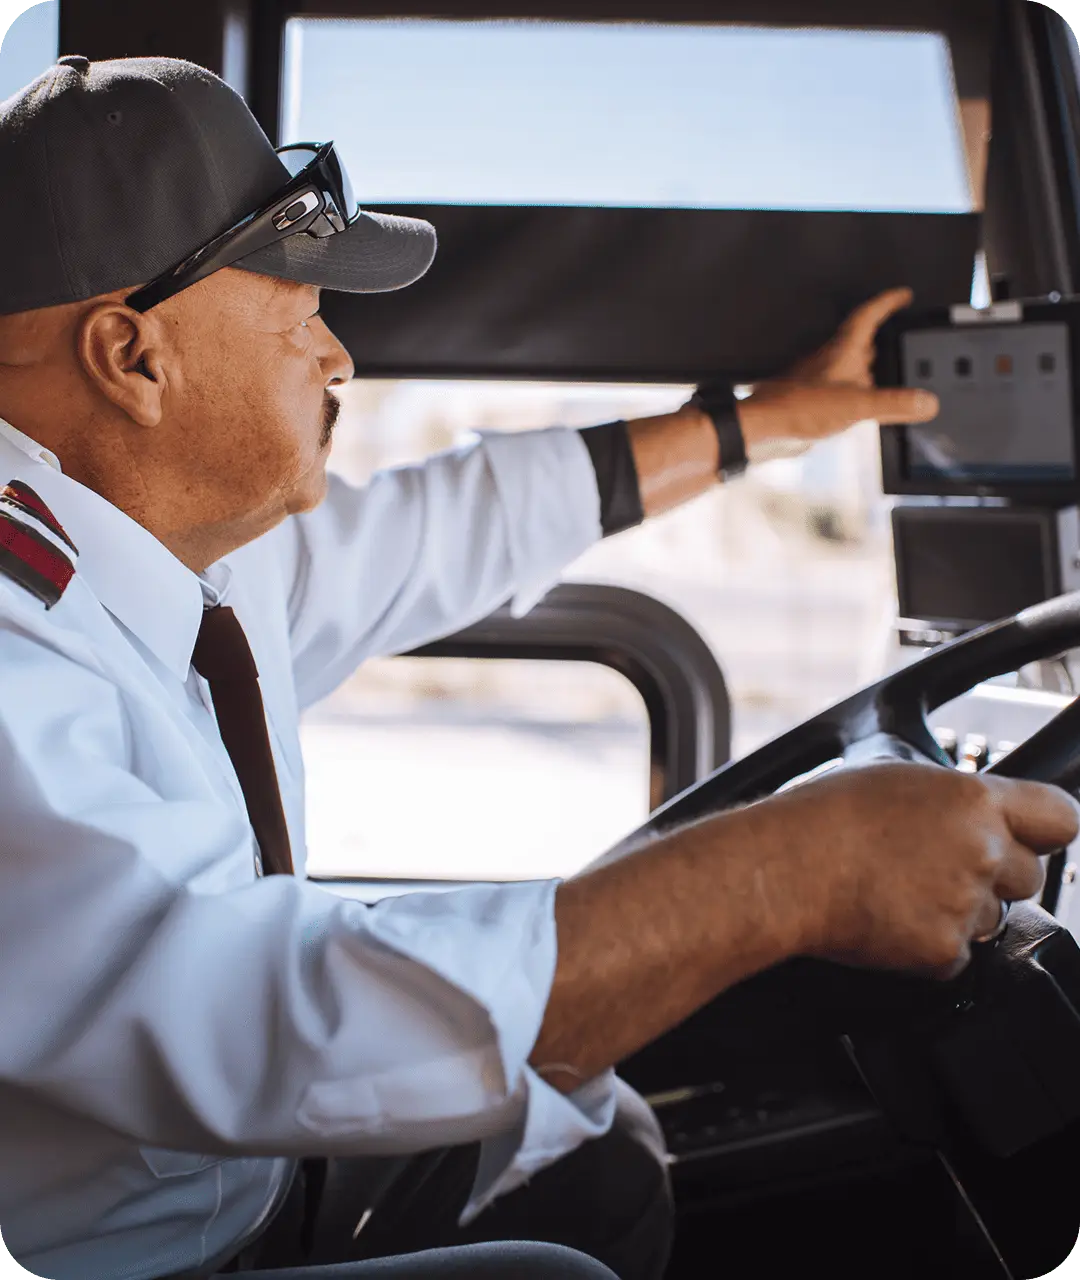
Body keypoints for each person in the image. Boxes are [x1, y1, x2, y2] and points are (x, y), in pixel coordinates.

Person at [0, 53, 1075, 1280]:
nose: (341, 360)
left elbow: (457, 521)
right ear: (133, 359)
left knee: (597, 1137)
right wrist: (786, 872)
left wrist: (759, 423)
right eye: (302, 320)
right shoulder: (14, 647)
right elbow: (235, 1007)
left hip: (256, 1177)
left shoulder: (173, 553)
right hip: (137, 1261)